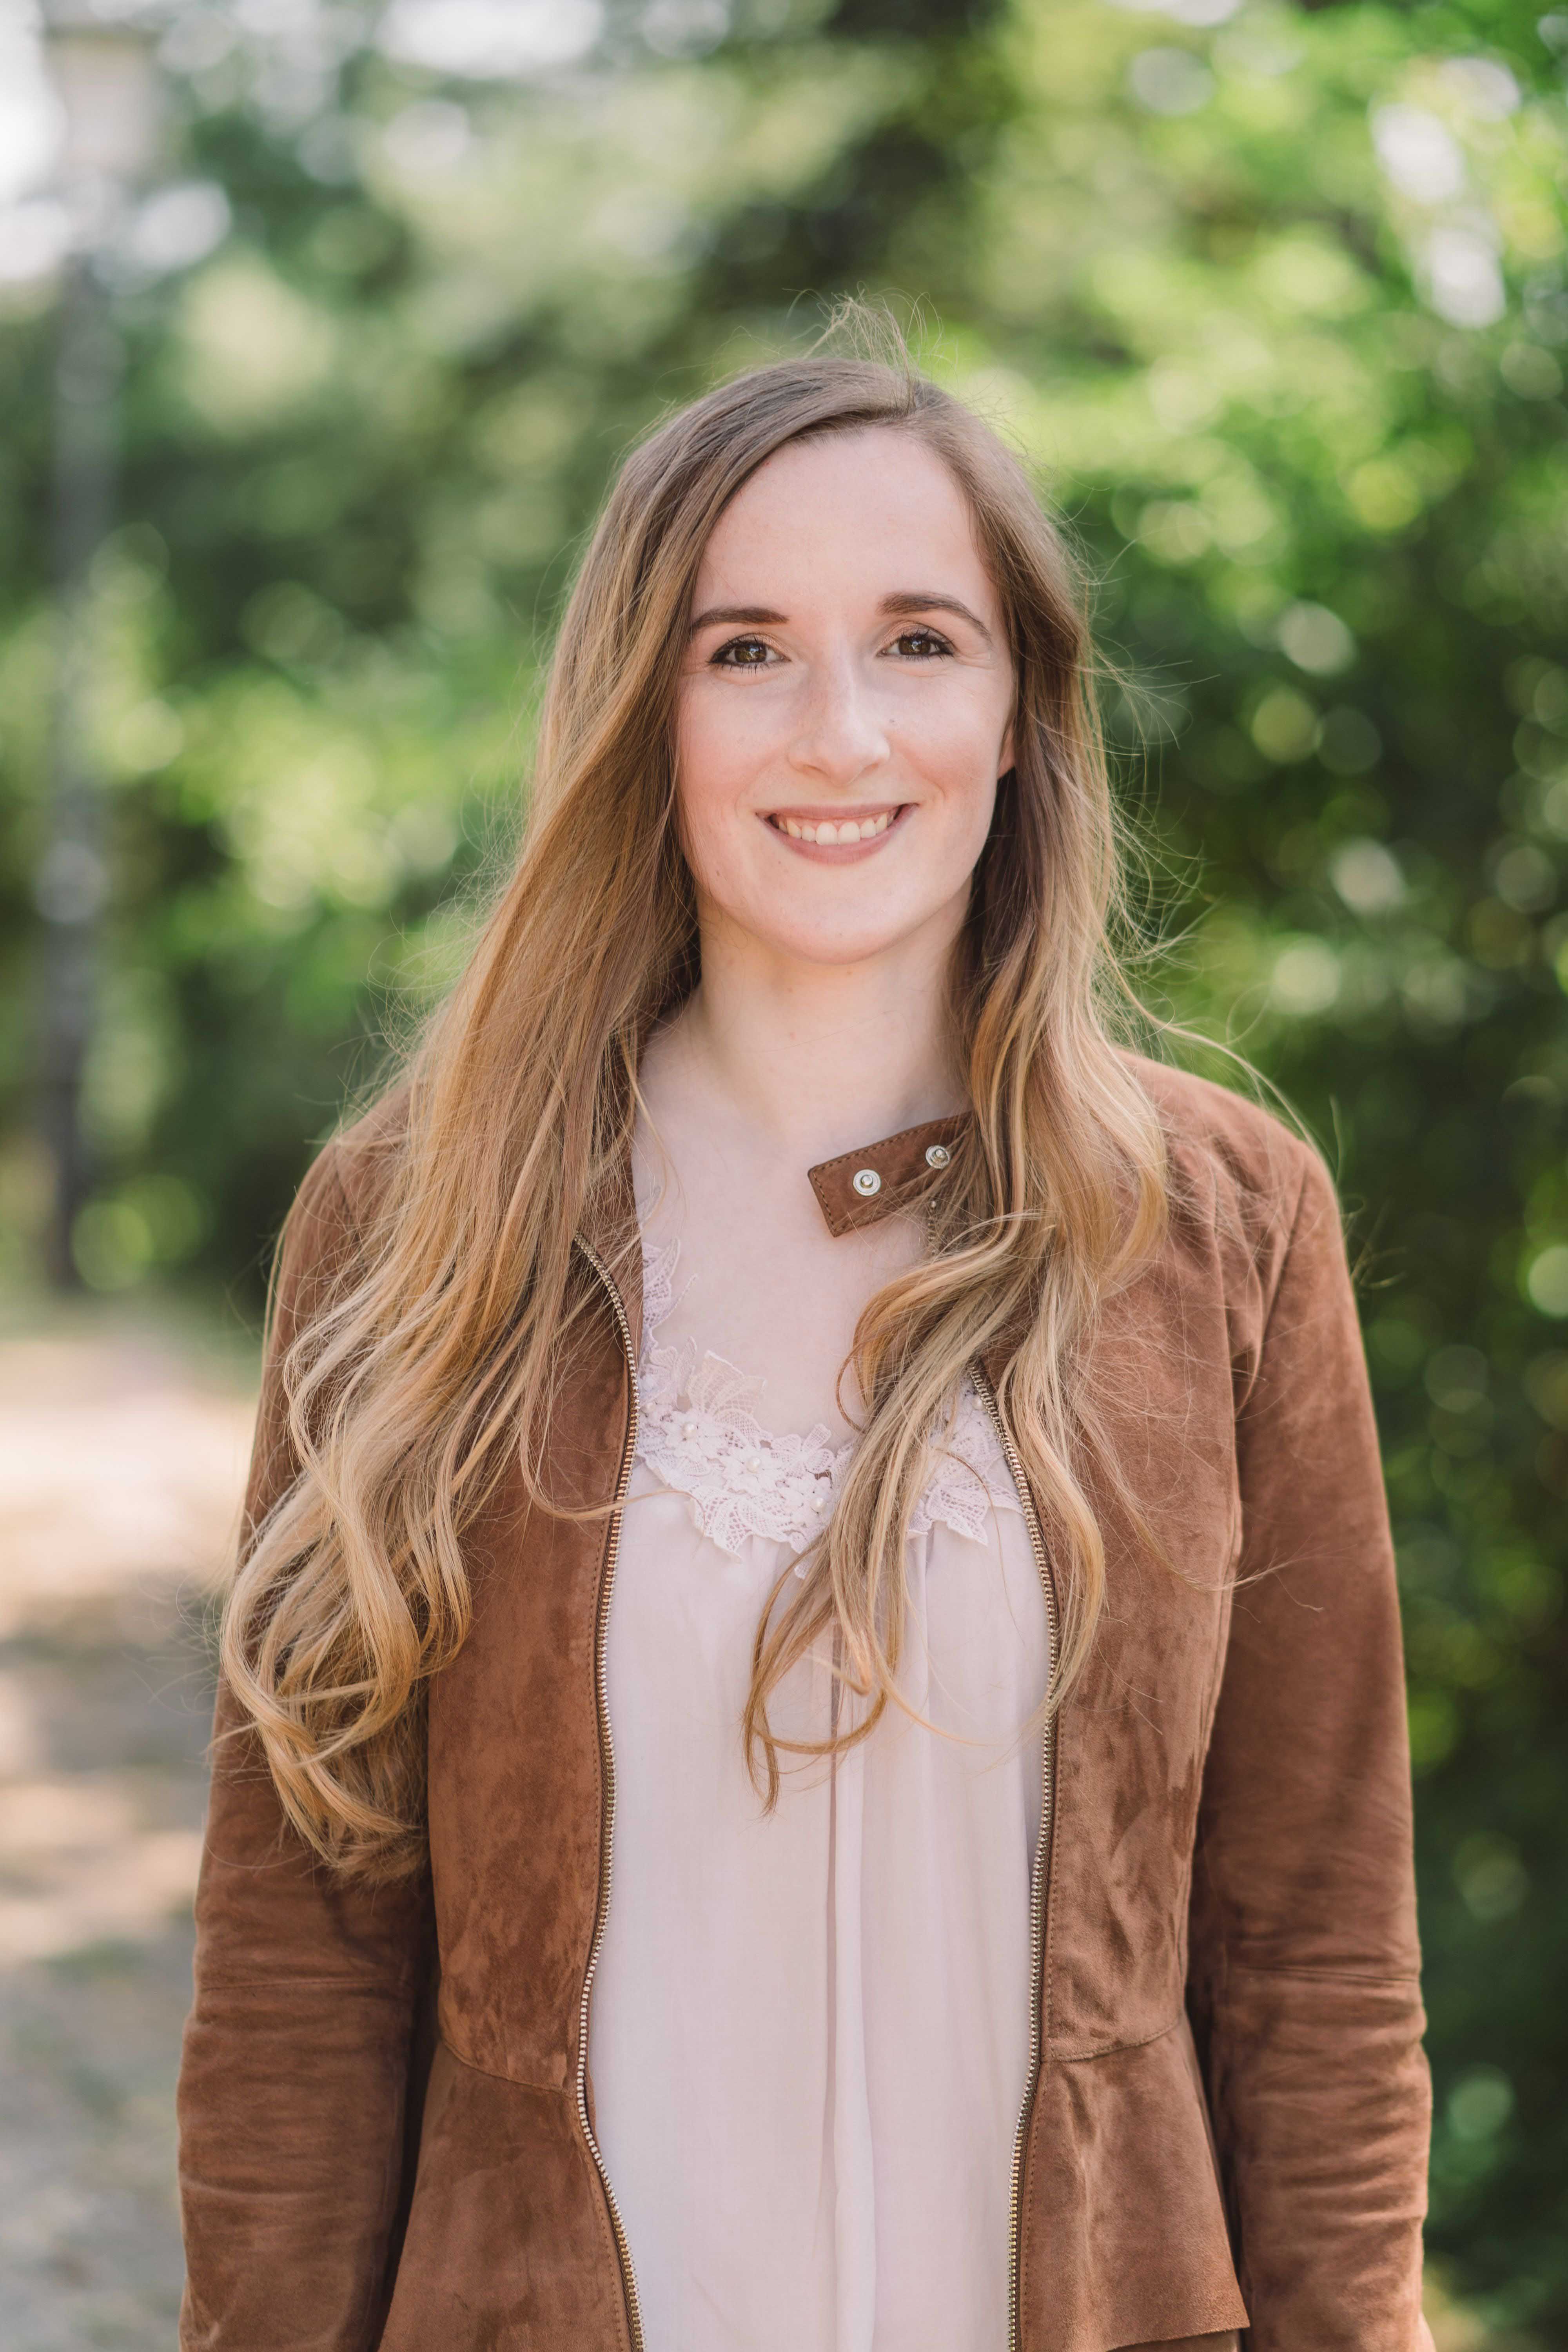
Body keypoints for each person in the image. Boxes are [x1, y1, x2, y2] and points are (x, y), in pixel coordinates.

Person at [176, 335, 1432, 2352]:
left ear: (1021, 709)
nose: (838, 730)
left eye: (919, 640)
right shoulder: (413, 1224)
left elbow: (1313, 1955)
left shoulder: (1223, 1227)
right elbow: (306, 1965)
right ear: (641, 713)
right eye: (743, 649)